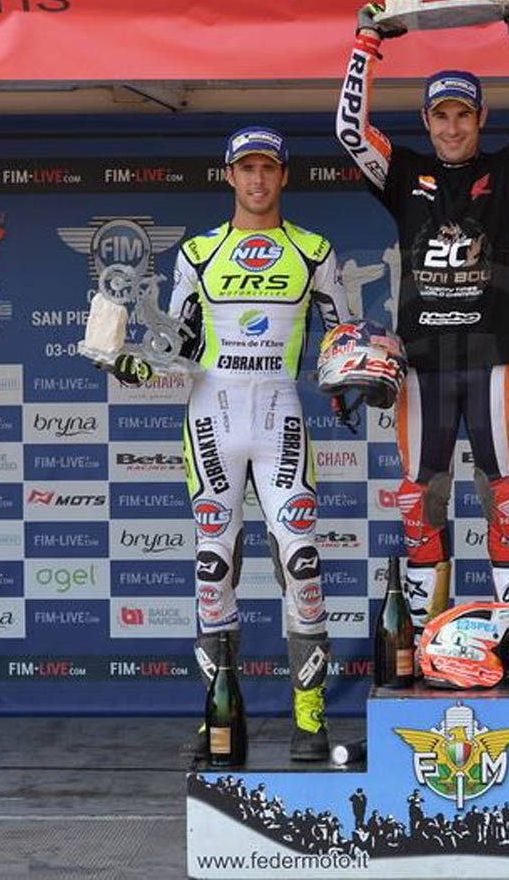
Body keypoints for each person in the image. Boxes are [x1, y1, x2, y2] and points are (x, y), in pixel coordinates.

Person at [337, 0, 509, 676]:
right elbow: (351, 132)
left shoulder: (508, 172)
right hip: (421, 363)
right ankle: (421, 641)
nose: (451, 126)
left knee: (507, 495)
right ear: (426, 120)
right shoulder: (403, 173)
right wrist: (365, 44)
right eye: (440, 114)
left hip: (493, 357)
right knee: (419, 498)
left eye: (462, 114)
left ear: (480, 118)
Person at [112, 127, 348, 760]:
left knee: (302, 561)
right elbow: (178, 344)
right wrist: (135, 365)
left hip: (278, 411)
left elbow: (343, 339)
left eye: (268, 168)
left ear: (284, 175)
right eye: (247, 168)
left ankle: (310, 718)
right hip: (211, 413)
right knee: (212, 566)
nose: (257, 179)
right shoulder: (198, 253)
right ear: (229, 175)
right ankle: (221, 715)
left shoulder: (314, 251)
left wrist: (359, 377)